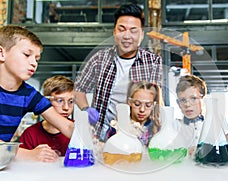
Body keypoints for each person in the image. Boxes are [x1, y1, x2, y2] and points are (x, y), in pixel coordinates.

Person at [75, 3, 162, 142]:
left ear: (141, 35)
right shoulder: (99, 59)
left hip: (138, 135)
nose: (127, 36)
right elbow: (78, 89)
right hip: (101, 135)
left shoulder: (153, 62)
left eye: (133, 31)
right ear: (114, 32)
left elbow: (156, 100)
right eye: (122, 29)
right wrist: (86, 109)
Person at [0, 25, 74, 143]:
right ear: (1, 53)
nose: (34, 63)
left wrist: (96, 139)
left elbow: (67, 126)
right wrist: (26, 154)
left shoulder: (29, 94)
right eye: (27, 55)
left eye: (37, 59)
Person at [17, 75, 74, 162]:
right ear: (45, 101)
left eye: (71, 101)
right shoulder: (30, 134)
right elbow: (19, 164)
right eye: (59, 100)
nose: (66, 107)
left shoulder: (77, 131)